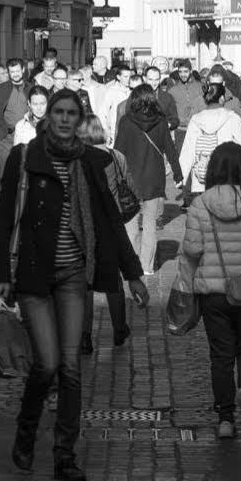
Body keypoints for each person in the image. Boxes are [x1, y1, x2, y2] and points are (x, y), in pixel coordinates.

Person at [0, 89, 151, 481]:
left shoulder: (92, 161)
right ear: (47, 117)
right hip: (33, 273)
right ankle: (26, 433)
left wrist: (132, 274)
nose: (62, 118)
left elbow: (110, 220)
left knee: (72, 366)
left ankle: (64, 454)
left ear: (80, 119)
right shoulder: (24, 158)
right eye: (57, 112)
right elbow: (4, 215)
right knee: (47, 363)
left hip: (74, 273)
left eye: (70, 113)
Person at [174, 142, 241, 439]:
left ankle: (225, 418)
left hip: (213, 292)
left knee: (220, 355)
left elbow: (192, 249)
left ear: (212, 170)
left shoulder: (200, 204)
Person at [80, 115, 136, 350]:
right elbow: (129, 184)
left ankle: (84, 336)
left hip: (84, 224)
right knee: (113, 280)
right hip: (110, 223)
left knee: (86, 285)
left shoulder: (78, 158)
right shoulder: (115, 155)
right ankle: (119, 328)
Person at [116, 83, 184, 277]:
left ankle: (132, 263)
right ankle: (146, 265)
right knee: (150, 225)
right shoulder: (161, 121)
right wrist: (178, 175)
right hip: (154, 178)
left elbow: (118, 151)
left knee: (130, 224)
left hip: (130, 179)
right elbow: (170, 149)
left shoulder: (126, 122)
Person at [179, 81, 241, 206]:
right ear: (222, 98)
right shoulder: (232, 117)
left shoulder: (196, 119)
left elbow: (188, 149)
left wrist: (181, 177)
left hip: (201, 175)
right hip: (226, 173)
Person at [165, 61, 206, 143]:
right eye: (180, 72)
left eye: (186, 71)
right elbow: (168, 111)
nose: (183, 74)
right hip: (180, 131)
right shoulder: (172, 90)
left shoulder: (201, 87)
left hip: (198, 130)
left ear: (191, 71)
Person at [11, 84, 50, 148]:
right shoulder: (21, 126)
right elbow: (17, 154)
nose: (39, 108)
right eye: (35, 104)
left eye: (42, 103)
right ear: (29, 104)